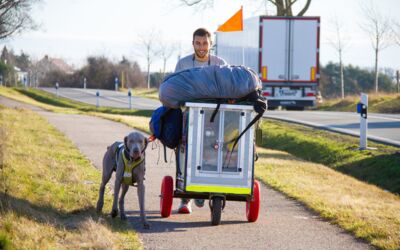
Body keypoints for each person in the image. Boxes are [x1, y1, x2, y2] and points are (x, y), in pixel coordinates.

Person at [174, 27, 227, 214]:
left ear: (211, 44)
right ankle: (185, 199)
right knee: (184, 152)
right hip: (188, 117)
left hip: (214, 118)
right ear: (193, 43)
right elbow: (175, 88)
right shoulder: (183, 64)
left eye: (205, 43)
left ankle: (205, 189)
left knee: (211, 152)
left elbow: (227, 89)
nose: (202, 47)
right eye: (198, 43)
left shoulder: (220, 63)